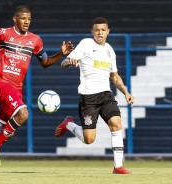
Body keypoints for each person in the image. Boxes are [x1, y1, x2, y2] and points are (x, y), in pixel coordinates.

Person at [0, 5, 73, 174]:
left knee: (7, 132)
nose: (26, 22)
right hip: (2, 82)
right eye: (23, 18)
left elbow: (45, 63)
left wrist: (60, 53)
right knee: (23, 114)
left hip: (16, 88)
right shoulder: (3, 33)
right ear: (15, 19)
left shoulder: (35, 40)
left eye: (29, 19)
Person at [54, 17, 134, 174]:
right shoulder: (85, 44)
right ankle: (69, 124)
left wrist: (126, 92)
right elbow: (64, 63)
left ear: (108, 32)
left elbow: (115, 77)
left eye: (103, 30)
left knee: (116, 123)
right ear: (92, 32)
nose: (100, 32)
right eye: (97, 30)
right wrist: (69, 62)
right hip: (88, 97)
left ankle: (118, 166)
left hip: (106, 95)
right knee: (89, 139)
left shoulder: (110, 50)